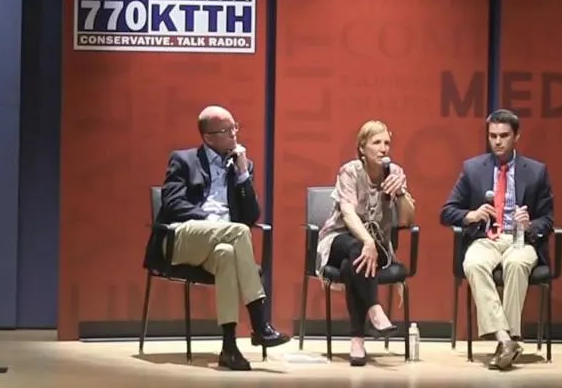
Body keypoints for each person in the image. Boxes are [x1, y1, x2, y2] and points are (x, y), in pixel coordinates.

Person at [148, 105, 289, 371]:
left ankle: (229, 347)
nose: (234, 134)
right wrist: (210, 219)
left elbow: (251, 215)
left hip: (222, 241)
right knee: (238, 231)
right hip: (183, 236)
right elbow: (173, 203)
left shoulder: (241, 165)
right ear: (208, 138)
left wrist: (243, 173)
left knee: (227, 253)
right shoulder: (184, 160)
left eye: (235, 127)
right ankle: (260, 323)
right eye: (226, 130)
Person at [440, 109, 554, 370]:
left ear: (516, 136)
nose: (498, 141)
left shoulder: (536, 171)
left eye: (504, 136)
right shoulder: (472, 169)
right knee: (473, 263)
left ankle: (508, 342)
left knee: (516, 263)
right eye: (493, 136)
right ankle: (506, 339)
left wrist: (530, 224)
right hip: (487, 237)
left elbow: (548, 219)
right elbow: (446, 212)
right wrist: (471, 215)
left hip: (521, 239)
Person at [313, 120, 415, 365]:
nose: (383, 148)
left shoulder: (395, 173)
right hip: (338, 239)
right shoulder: (349, 171)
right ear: (362, 148)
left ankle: (357, 340)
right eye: (376, 142)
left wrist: (401, 193)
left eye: (387, 143)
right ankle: (375, 309)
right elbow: (348, 214)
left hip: (375, 247)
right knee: (356, 249)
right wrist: (367, 241)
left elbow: (407, 219)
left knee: (352, 266)